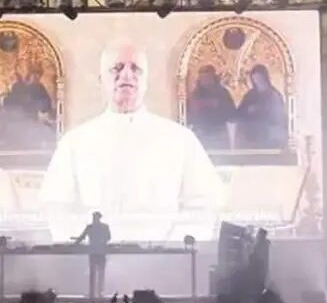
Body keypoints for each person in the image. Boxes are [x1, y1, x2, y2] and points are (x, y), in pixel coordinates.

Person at [39, 39, 225, 223]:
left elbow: (205, 205)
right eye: (117, 68)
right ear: (101, 81)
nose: (126, 75)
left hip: (164, 243)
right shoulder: (74, 143)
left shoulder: (181, 140)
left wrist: (171, 240)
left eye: (136, 69)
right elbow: (55, 209)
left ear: (146, 81)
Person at [2, 63, 55, 149]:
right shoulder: (18, 87)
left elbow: (45, 104)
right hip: (18, 123)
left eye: (38, 75)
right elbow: (10, 103)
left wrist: (41, 109)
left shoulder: (39, 87)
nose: (37, 78)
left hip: (32, 121)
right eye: (34, 75)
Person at [235, 64, 288, 150]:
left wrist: (262, 109)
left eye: (260, 79)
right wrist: (248, 110)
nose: (258, 81)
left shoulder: (274, 95)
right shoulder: (250, 95)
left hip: (269, 132)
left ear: (265, 78)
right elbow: (239, 112)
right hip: (251, 133)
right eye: (255, 79)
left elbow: (279, 115)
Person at [187, 65, 236, 150]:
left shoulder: (222, 93)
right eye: (202, 77)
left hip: (218, 133)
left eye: (207, 77)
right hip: (201, 132)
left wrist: (219, 105)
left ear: (213, 77)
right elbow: (189, 112)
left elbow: (232, 113)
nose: (205, 80)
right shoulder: (196, 94)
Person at [72, 212, 111, 300]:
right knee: (99, 273)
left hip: (94, 252)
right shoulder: (104, 227)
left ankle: (94, 293)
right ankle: (99, 293)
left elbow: (82, 237)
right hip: (100, 252)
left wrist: (74, 244)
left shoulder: (91, 227)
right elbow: (108, 238)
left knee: (94, 273)